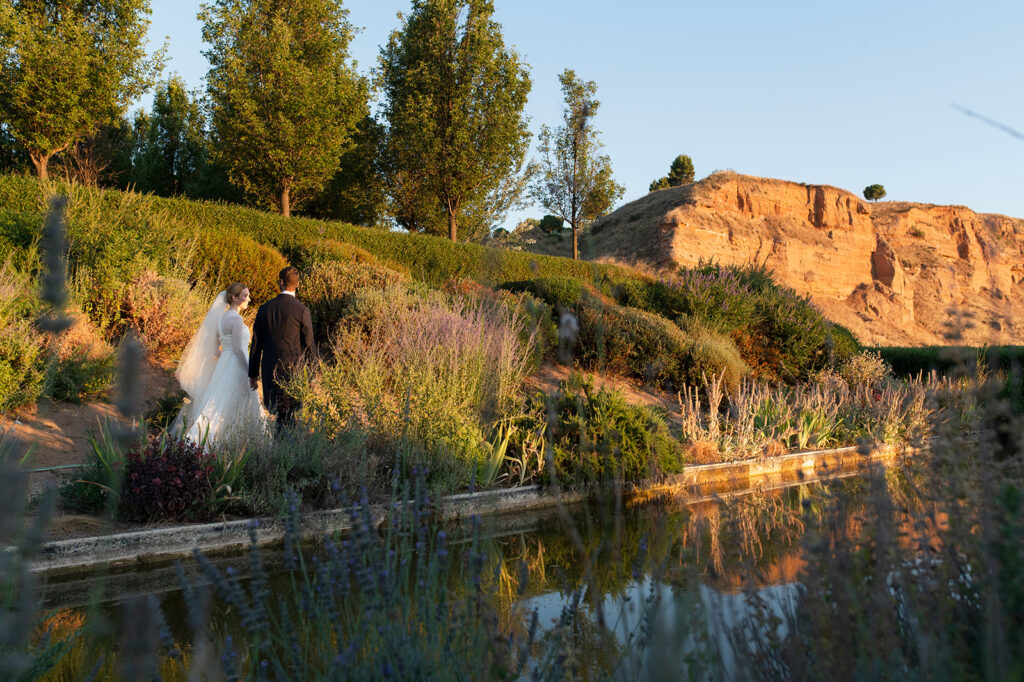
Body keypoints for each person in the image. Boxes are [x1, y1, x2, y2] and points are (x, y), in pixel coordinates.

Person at [172, 282, 268, 445]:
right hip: (237, 366)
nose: (248, 299)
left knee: (219, 401)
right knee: (235, 402)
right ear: (234, 298)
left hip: (226, 365)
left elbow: (216, 349)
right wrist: (251, 373)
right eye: (245, 296)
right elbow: (238, 349)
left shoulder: (222, 318)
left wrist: (225, 361)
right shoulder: (236, 320)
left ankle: (204, 440)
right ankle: (236, 442)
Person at [248, 266, 315, 432]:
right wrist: (312, 373)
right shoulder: (302, 310)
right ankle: (284, 447)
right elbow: (309, 344)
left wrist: (253, 374)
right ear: (298, 284)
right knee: (288, 412)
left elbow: (256, 344)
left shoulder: (264, 309)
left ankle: (281, 445)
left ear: (281, 282)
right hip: (293, 369)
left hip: (270, 367)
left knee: (280, 413)